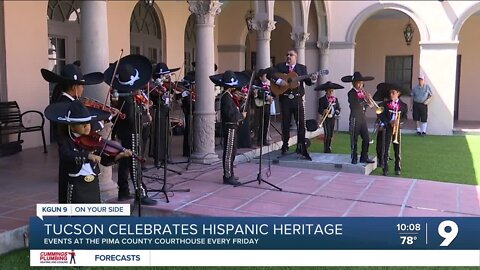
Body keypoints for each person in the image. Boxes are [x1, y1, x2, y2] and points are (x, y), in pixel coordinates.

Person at [43, 100, 132, 203]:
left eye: (88, 124)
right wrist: (87, 156)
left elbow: (102, 159)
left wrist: (118, 156)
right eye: (82, 124)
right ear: (71, 126)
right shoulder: (66, 140)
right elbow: (66, 155)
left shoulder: (92, 139)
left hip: (92, 181)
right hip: (75, 181)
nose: (87, 127)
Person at [40, 64, 104, 203]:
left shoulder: (72, 102)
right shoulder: (65, 104)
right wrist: (98, 122)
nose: (83, 89)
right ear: (75, 87)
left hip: (77, 155)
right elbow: (76, 129)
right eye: (81, 86)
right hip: (72, 153)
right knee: (70, 196)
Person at [104, 54, 157, 205]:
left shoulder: (124, 97)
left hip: (126, 132)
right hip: (132, 134)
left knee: (126, 162)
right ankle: (140, 192)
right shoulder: (127, 100)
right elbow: (133, 120)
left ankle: (123, 191)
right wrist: (143, 111)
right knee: (135, 164)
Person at [268, 49, 318, 160]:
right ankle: (285, 145)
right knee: (285, 124)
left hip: (297, 100)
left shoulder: (301, 68)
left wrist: (313, 79)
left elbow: (308, 82)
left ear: (296, 57)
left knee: (300, 124)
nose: (289, 56)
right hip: (285, 100)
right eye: (287, 54)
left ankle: (301, 146)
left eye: (291, 55)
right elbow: (270, 74)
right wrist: (279, 81)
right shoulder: (280, 66)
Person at [209, 70, 249, 185]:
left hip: (233, 127)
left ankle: (230, 173)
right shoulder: (226, 97)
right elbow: (230, 114)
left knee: (233, 151)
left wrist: (241, 104)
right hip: (229, 127)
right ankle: (227, 175)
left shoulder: (230, 96)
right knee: (228, 152)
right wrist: (241, 116)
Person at [341, 72, 375, 164]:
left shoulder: (363, 93)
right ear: (354, 83)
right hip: (354, 118)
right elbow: (355, 104)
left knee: (367, 139)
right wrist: (365, 100)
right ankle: (354, 157)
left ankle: (364, 156)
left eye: (361, 83)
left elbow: (366, 106)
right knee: (354, 139)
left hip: (363, 118)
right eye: (358, 83)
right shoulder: (351, 93)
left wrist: (369, 101)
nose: (360, 85)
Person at [376, 83, 409, 176]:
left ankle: (397, 167)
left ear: (398, 93)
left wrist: (399, 122)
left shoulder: (403, 105)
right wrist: (388, 122)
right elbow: (380, 114)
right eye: (390, 93)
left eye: (393, 92)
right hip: (388, 127)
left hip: (397, 128)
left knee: (397, 148)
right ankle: (385, 168)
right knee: (385, 148)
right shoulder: (385, 104)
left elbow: (405, 117)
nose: (391, 95)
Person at [315, 81, 343, 153]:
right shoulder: (322, 99)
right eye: (329, 91)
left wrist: (337, 111)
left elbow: (338, 108)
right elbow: (319, 110)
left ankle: (329, 146)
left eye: (332, 91)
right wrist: (324, 110)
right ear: (326, 91)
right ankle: (326, 148)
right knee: (327, 133)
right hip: (325, 118)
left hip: (332, 118)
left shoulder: (335, 99)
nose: (331, 92)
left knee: (330, 134)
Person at [253, 68, 274, 146]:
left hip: (267, 105)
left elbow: (273, 93)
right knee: (260, 123)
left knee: (266, 123)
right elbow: (259, 93)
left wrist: (272, 97)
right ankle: (259, 140)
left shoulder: (269, 84)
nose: (266, 77)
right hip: (260, 105)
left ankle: (264, 139)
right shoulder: (257, 85)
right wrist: (266, 97)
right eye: (265, 76)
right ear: (260, 77)